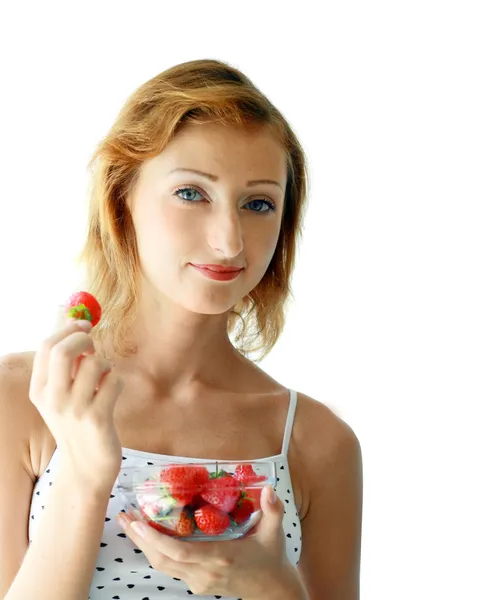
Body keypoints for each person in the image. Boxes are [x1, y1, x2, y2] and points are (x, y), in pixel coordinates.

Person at [0, 59, 363, 600]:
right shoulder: (24, 399)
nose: (230, 240)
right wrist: (84, 469)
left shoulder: (317, 443)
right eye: (192, 193)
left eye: (258, 203)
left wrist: (273, 588)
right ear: (122, 199)